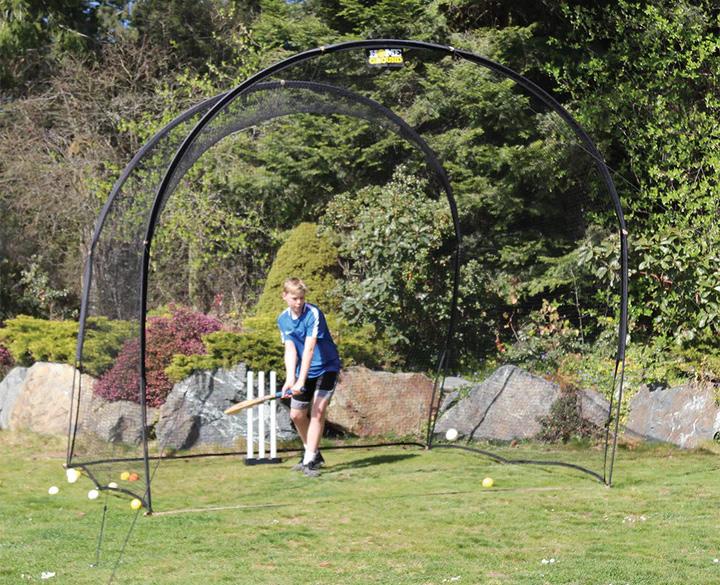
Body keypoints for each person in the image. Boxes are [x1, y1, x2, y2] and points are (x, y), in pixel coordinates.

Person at [277, 277, 341, 477]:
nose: (299, 302)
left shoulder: (313, 313)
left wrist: (301, 381)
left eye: (302, 298)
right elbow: (290, 350)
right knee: (296, 415)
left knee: (318, 411)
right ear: (284, 296)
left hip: (326, 367)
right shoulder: (283, 319)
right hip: (302, 371)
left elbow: (309, 349)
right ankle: (313, 453)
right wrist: (290, 379)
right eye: (294, 298)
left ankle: (310, 461)